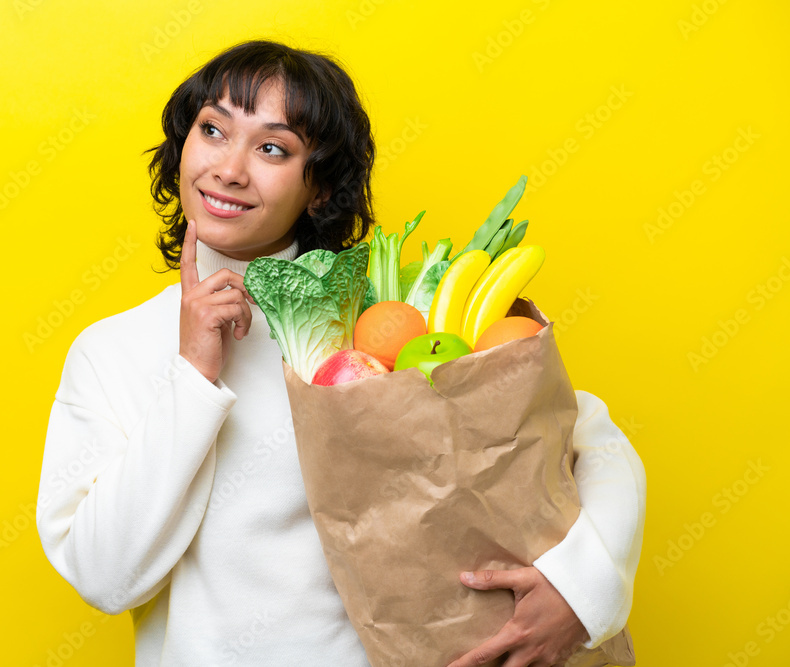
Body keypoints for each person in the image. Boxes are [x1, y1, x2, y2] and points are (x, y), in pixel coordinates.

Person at [36, 39, 647, 667]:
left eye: (273, 147)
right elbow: (103, 576)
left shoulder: (382, 319)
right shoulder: (110, 352)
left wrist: (584, 590)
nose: (230, 169)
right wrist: (192, 374)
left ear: (321, 188)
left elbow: (584, 436)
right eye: (213, 130)